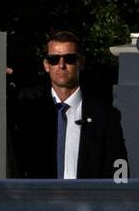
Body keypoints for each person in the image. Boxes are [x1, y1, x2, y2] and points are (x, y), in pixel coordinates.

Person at [9, 31, 129, 179]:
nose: (61, 65)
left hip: (87, 200)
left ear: (81, 62)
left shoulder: (104, 116)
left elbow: (119, 172)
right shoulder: (29, 113)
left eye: (70, 58)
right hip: (38, 200)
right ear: (46, 65)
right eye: (54, 59)